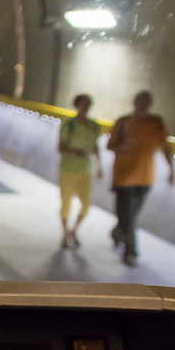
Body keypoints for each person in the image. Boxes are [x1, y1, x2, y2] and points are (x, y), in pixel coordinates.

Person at [107, 91, 175, 266]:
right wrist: (122, 146)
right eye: (140, 101)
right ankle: (131, 252)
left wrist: (172, 170)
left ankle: (117, 232)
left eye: (146, 102)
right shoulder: (123, 122)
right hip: (123, 179)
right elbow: (110, 146)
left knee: (130, 217)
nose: (142, 105)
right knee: (128, 217)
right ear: (134, 102)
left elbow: (165, 146)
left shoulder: (156, 123)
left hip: (144, 179)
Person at [58, 94, 103, 249]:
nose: (86, 107)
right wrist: (75, 152)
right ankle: (65, 234)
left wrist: (99, 165)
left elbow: (95, 146)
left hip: (86, 170)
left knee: (86, 204)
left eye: (88, 104)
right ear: (77, 105)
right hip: (68, 169)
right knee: (66, 204)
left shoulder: (93, 126)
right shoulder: (69, 125)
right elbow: (61, 147)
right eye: (83, 104)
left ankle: (74, 230)